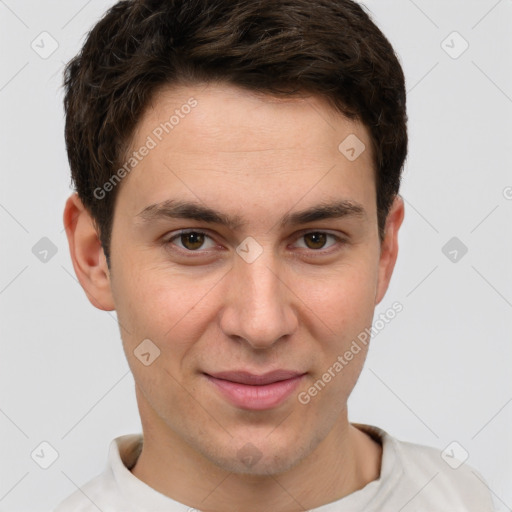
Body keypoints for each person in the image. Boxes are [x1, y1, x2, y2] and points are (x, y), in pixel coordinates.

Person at [55, 0, 495, 510]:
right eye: (193, 240)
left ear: (384, 251)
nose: (261, 324)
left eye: (316, 240)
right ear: (95, 257)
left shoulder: (469, 499)